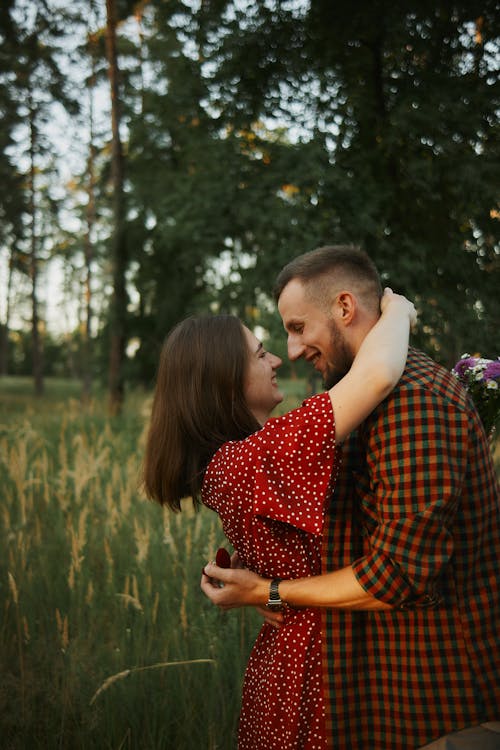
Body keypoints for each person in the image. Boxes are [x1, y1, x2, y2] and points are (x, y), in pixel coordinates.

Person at [201, 245, 500, 750]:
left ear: (344, 308)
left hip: (444, 698)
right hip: (383, 688)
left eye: (297, 328)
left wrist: (268, 591)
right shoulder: (355, 403)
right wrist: (253, 572)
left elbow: (396, 574)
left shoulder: (415, 402)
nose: (290, 351)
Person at [143, 288, 415, 750]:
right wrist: (400, 310)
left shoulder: (238, 459)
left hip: (295, 652)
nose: (276, 361)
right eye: (261, 353)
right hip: (316, 664)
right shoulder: (254, 459)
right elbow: (378, 376)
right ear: (225, 380)